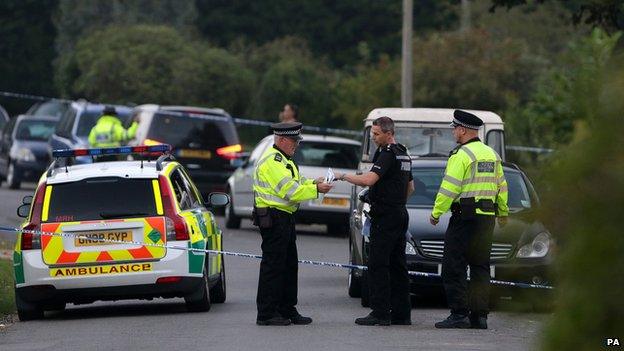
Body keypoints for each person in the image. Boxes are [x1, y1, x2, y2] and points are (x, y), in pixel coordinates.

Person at [430, 110, 509, 330]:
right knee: (480, 267)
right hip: (486, 219)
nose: (454, 132)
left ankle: (459, 314)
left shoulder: (461, 155)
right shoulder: (492, 155)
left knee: (453, 267)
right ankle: (480, 316)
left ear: (462, 130)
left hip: (464, 218)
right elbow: (501, 186)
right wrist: (502, 212)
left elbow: (450, 187)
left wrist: (436, 212)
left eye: (455, 128)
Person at [336, 116, 415, 326]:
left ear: (389, 133)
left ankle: (380, 313)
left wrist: (343, 176)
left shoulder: (388, 154)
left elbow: (369, 180)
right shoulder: (403, 154)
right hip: (399, 214)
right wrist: (397, 203)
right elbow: (411, 188)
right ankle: (401, 314)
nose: (373, 137)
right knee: (398, 266)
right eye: (372, 133)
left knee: (378, 264)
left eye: (377, 134)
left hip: (386, 216)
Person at [253, 121, 333, 326]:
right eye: (293, 141)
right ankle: (267, 313)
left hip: (284, 218)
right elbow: (291, 191)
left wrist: (313, 183)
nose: (296, 145)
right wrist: (317, 190)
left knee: (288, 266)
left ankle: (287, 308)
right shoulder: (272, 161)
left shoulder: (283, 160)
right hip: (274, 218)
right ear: (281, 140)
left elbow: (297, 183)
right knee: (273, 267)